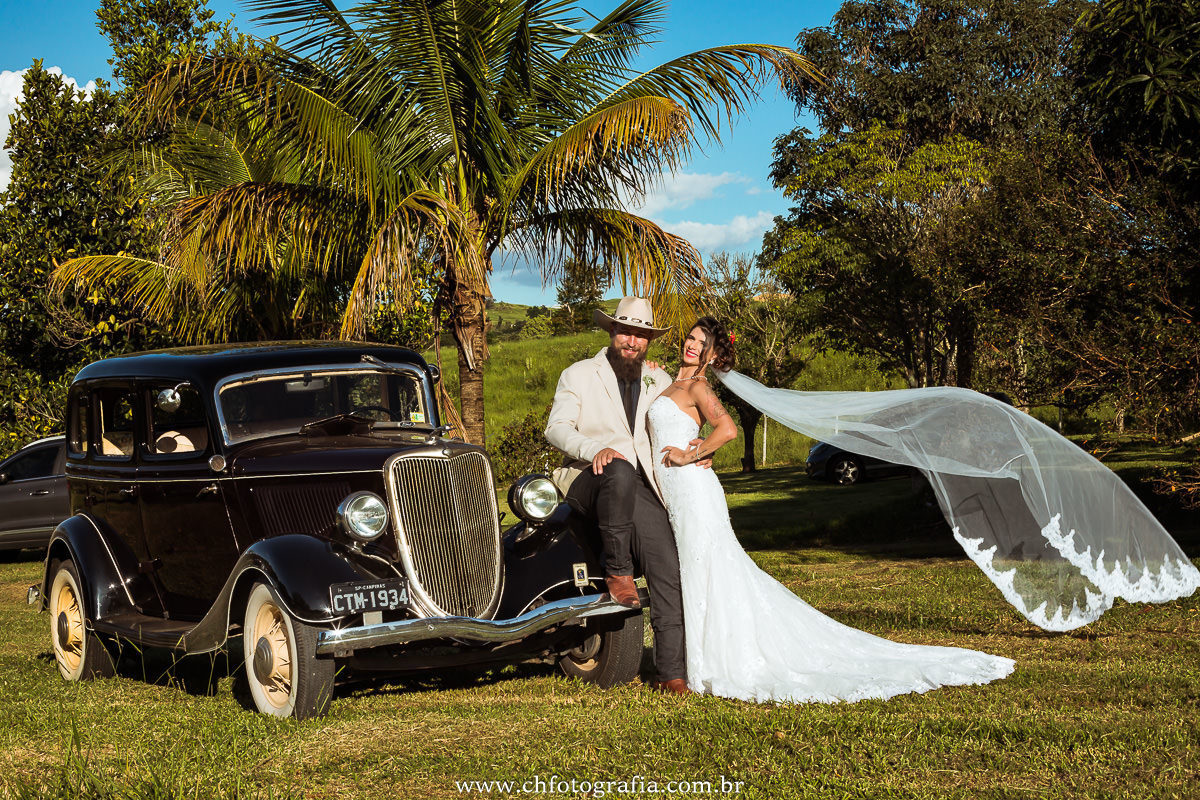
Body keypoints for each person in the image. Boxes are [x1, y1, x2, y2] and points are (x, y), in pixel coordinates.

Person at [648, 316, 1016, 702]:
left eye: (700, 343)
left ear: (712, 355)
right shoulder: (672, 382)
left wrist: (693, 454)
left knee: (707, 570)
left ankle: (715, 660)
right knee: (699, 571)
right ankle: (698, 656)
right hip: (676, 495)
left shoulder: (697, 386)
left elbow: (728, 429)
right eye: (690, 338)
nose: (691, 345)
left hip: (693, 492)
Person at [545, 296, 696, 695]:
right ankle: (618, 571)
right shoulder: (578, 374)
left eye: (641, 334)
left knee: (666, 566)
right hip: (588, 477)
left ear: (648, 341)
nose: (633, 340)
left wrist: (698, 451)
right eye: (626, 331)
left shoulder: (657, 380)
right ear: (612, 331)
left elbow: (682, 420)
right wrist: (592, 449)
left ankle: (672, 673)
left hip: (640, 484)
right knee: (617, 468)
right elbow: (556, 428)